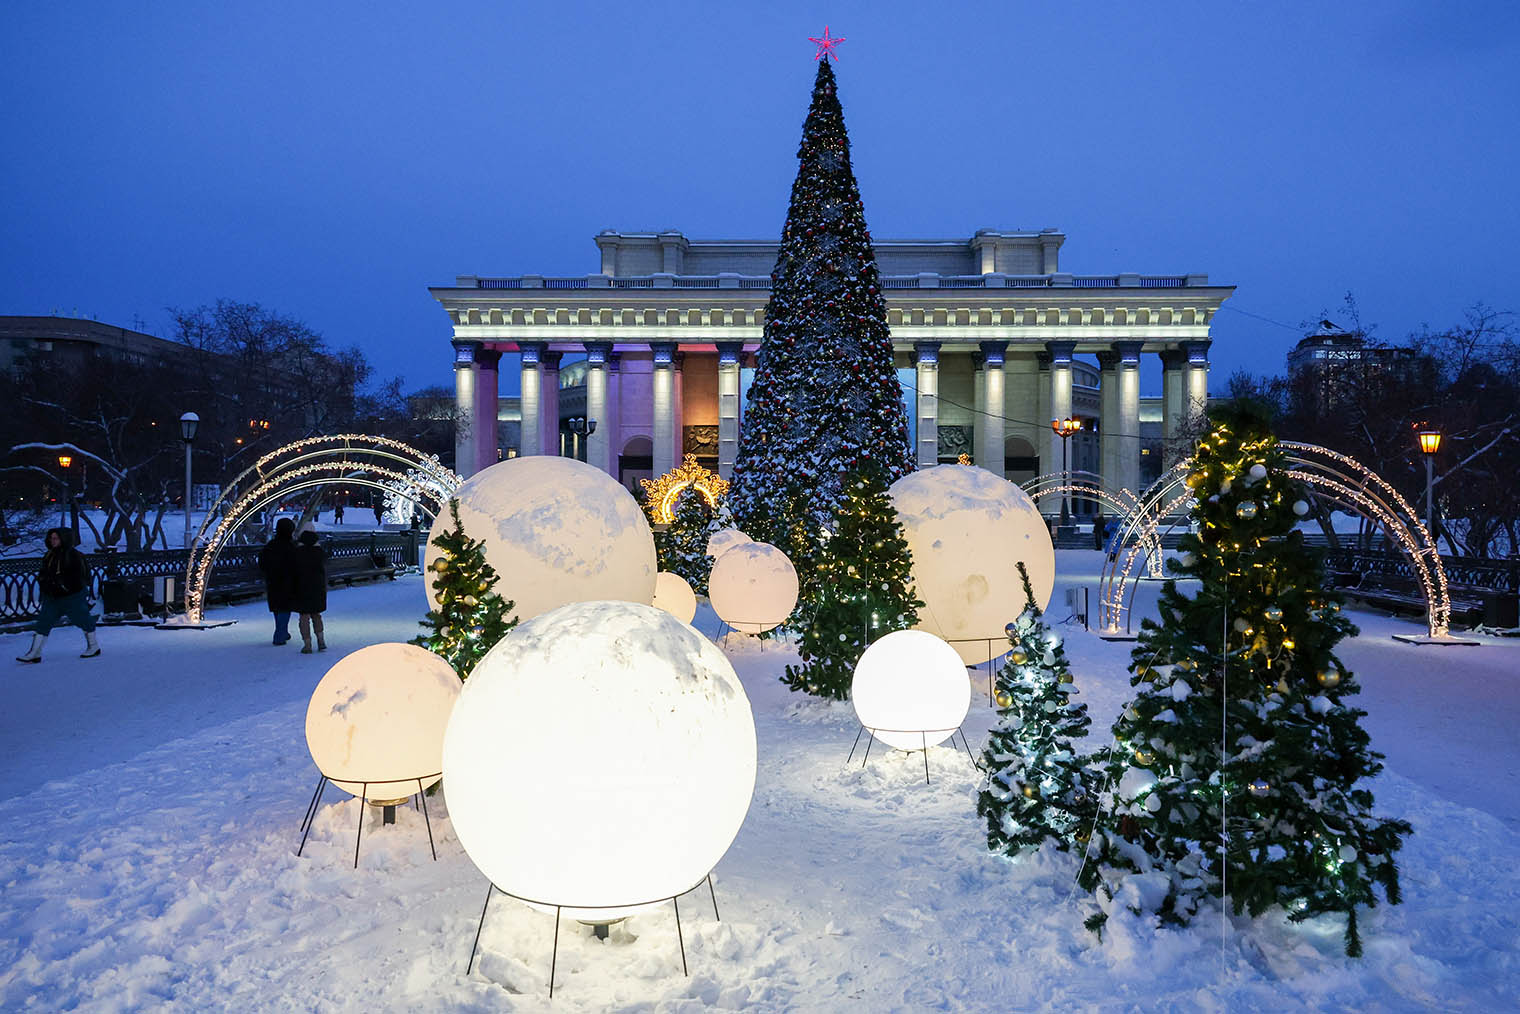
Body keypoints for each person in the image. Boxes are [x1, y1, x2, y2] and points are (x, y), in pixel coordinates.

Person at [16, 528, 99, 662]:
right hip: (52, 596)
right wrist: (44, 583)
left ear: (64, 539)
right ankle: (34, 653)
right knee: (44, 621)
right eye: (51, 538)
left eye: (56, 538)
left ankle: (93, 646)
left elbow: (79, 576)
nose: (52, 541)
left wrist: (64, 586)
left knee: (82, 619)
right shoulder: (49, 554)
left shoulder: (74, 555)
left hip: (72, 596)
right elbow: (44, 573)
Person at [258, 517, 299, 645]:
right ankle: (280, 633)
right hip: (288, 581)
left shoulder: (271, 546)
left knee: (277, 606)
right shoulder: (291, 547)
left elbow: (262, 562)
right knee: (285, 607)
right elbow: (296, 564)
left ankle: (282, 631)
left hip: (273, 580)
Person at [293, 527, 328, 654]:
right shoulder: (319, 553)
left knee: (304, 617)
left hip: (301, 587)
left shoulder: (297, 553)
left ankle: (307, 644)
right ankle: (321, 640)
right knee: (316, 615)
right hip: (317, 587)